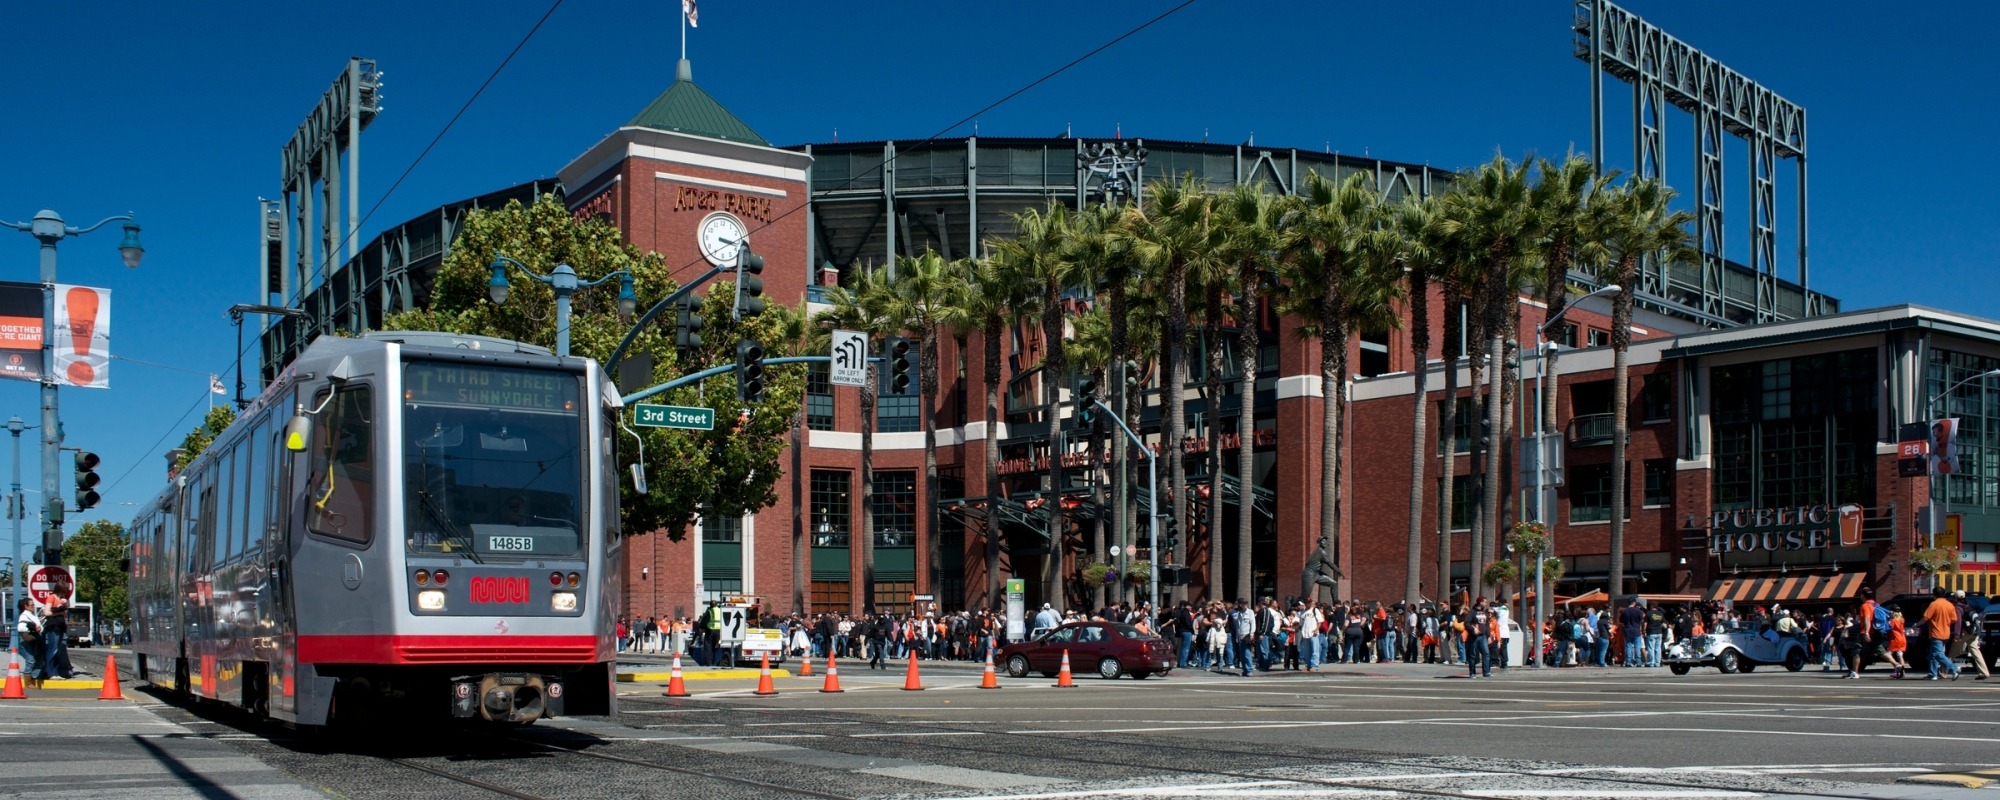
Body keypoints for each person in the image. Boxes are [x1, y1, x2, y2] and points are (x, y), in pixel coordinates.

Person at [1922, 586, 1961, 681]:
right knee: (1933, 654)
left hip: (1936, 632)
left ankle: (1954, 668)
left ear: (1934, 595)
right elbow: (1954, 619)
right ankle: (1932, 674)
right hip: (1945, 633)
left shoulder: (1934, 604)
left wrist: (1916, 624)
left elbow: (1926, 617)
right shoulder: (1950, 605)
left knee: (1937, 654)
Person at [1956, 591, 1991, 680]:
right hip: (1974, 632)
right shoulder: (1969, 606)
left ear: (1956, 598)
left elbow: (1958, 622)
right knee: (1976, 653)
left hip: (1965, 632)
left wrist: (1956, 635)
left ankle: (1942, 672)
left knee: (1953, 652)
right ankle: (1984, 672)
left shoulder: (1958, 607)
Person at [13, 599, 43, 683]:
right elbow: (20, 627)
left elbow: (39, 626)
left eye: (34, 604)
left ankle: (33, 677)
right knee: (30, 660)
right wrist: (33, 628)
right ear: (26, 606)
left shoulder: (31, 615)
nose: (33, 606)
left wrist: (39, 628)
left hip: (33, 641)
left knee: (37, 659)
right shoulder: (24, 616)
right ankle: (28, 681)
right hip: (25, 641)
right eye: (32, 605)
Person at [1465, 602, 1492, 678]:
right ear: (1480, 602)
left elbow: (1487, 625)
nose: (1486, 603)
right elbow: (1466, 623)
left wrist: (1489, 636)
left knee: (1486, 653)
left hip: (1483, 636)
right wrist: (1473, 628)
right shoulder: (1472, 612)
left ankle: (1486, 672)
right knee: (1473, 655)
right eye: (1484, 601)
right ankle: (1472, 673)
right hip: (1474, 637)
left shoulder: (1484, 613)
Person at [1885, 610, 1910, 679]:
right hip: (1902, 638)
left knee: (1887, 654)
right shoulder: (1901, 620)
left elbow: (1887, 627)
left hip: (1895, 639)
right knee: (1900, 654)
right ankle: (1902, 672)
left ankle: (1897, 667)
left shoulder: (1893, 621)